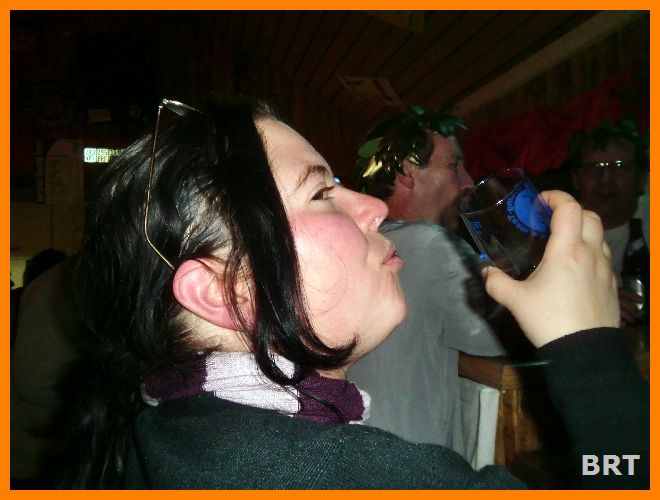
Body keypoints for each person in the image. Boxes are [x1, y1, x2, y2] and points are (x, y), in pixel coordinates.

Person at [59, 99, 647, 489]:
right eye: (320, 194)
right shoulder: (340, 476)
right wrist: (590, 347)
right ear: (221, 289)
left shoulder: (167, 426)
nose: (374, 207)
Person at [348, 106, 507, 451]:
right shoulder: (428, 244)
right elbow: (506, 336)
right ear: (407, 171)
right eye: (454, 166)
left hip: (358, 455)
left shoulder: (353, 246)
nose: (468, 181)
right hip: (411, 467)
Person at [568, 120, 649, 326]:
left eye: (620, 166)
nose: (605, 179)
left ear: (642, 178)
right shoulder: (556, 231)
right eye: (593, 168)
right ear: (576, 180)